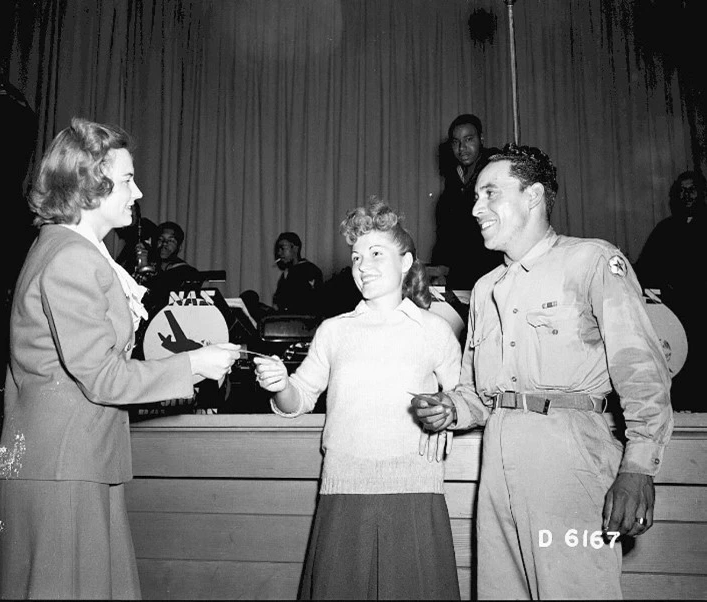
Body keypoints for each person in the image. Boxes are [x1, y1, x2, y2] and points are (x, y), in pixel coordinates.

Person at [0, 117, 240, 599]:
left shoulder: (71, 250)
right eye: (126, 179)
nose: (138, 191)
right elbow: (100, 376)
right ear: (88, 186)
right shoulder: (72, 258)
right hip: (63, 468)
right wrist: (194, 367)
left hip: (72, 460)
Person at [413, 144, 674, 599]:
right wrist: (450, 408)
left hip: (570, 462)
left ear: (533, 196)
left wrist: (638, 468)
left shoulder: (591, 261)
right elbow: (479, 393)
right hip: (498, 462)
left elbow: (642, 371)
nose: (476, 208)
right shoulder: (485, 288)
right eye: (476, 196)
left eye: (490, 193)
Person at [254, 200, 462, 599]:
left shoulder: (435, 330)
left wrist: (447, 412)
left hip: (415, 487)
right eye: (355, 257)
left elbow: (464, 398)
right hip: (344, 487)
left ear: (406, 263)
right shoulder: (334, 331)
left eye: (376, 253)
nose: (362, 265)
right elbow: (298, 399)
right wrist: (279, 383)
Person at [635, 170, 707, 411]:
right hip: (672, 316)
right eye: (682, 191)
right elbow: (646, 269)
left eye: (692, 190)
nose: (686, 195)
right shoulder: (666, 228)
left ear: (703, 193)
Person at [431, 113, 502, 289]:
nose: (462, 148)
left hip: (491, 270)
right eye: (456, 142)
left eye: (469, 139)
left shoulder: (496, 168)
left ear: (481, 139)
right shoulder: (454, 180)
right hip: (462, 273)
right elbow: (448, 235)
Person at [143, 220, 202, 314]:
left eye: (171, 241)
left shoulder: (188, 273)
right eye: (160, 239)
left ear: (179, 247)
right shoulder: (148, 269)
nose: (164, 244)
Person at [272, 231, 324, 316]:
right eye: (278, 249)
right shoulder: (286, 273)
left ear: (295, 248)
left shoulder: (311, 271)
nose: (279, 253)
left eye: (283, 248)